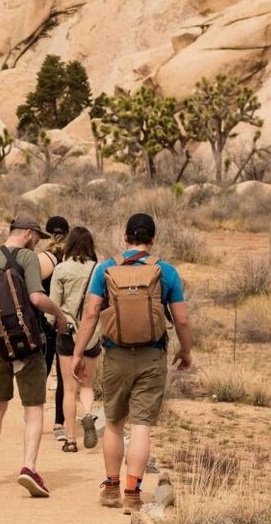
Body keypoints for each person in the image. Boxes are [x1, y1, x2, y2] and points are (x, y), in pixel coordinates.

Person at [71, 213, 192, 515]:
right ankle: (132, 492)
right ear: (152, 240)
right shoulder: (166, 271)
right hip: (152, 356)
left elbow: (90, 315)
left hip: (115, 354)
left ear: (125, 237)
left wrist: (77, 353)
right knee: (141, 427)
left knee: (113, 422)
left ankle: (111, 487)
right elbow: (181, 319)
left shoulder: (106, 269)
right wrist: (186, 350)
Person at [0, 213, 67, 497]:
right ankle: (28, 467)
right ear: (28, 233)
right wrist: (60, 315)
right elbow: (37, 298)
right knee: (34, 408)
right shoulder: (28, 258)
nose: (36, 242)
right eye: (36, 237)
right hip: (28, 343)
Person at [46, 226, 101, 453]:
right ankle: (88, 414)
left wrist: (53, 323)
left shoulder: (61, 269)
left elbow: (53, 305)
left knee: (69, 388)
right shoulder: (99, 270)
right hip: (91, 334)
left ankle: (70, 439)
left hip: (67, 333)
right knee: (87, 385)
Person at [37, 215, 70, 442]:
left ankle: (34, 414)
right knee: (64, 374)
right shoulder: (72, 260)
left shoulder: (41, 259)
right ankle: (60, 422)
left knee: (43, 368)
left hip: (44, 320)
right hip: (67, 321)